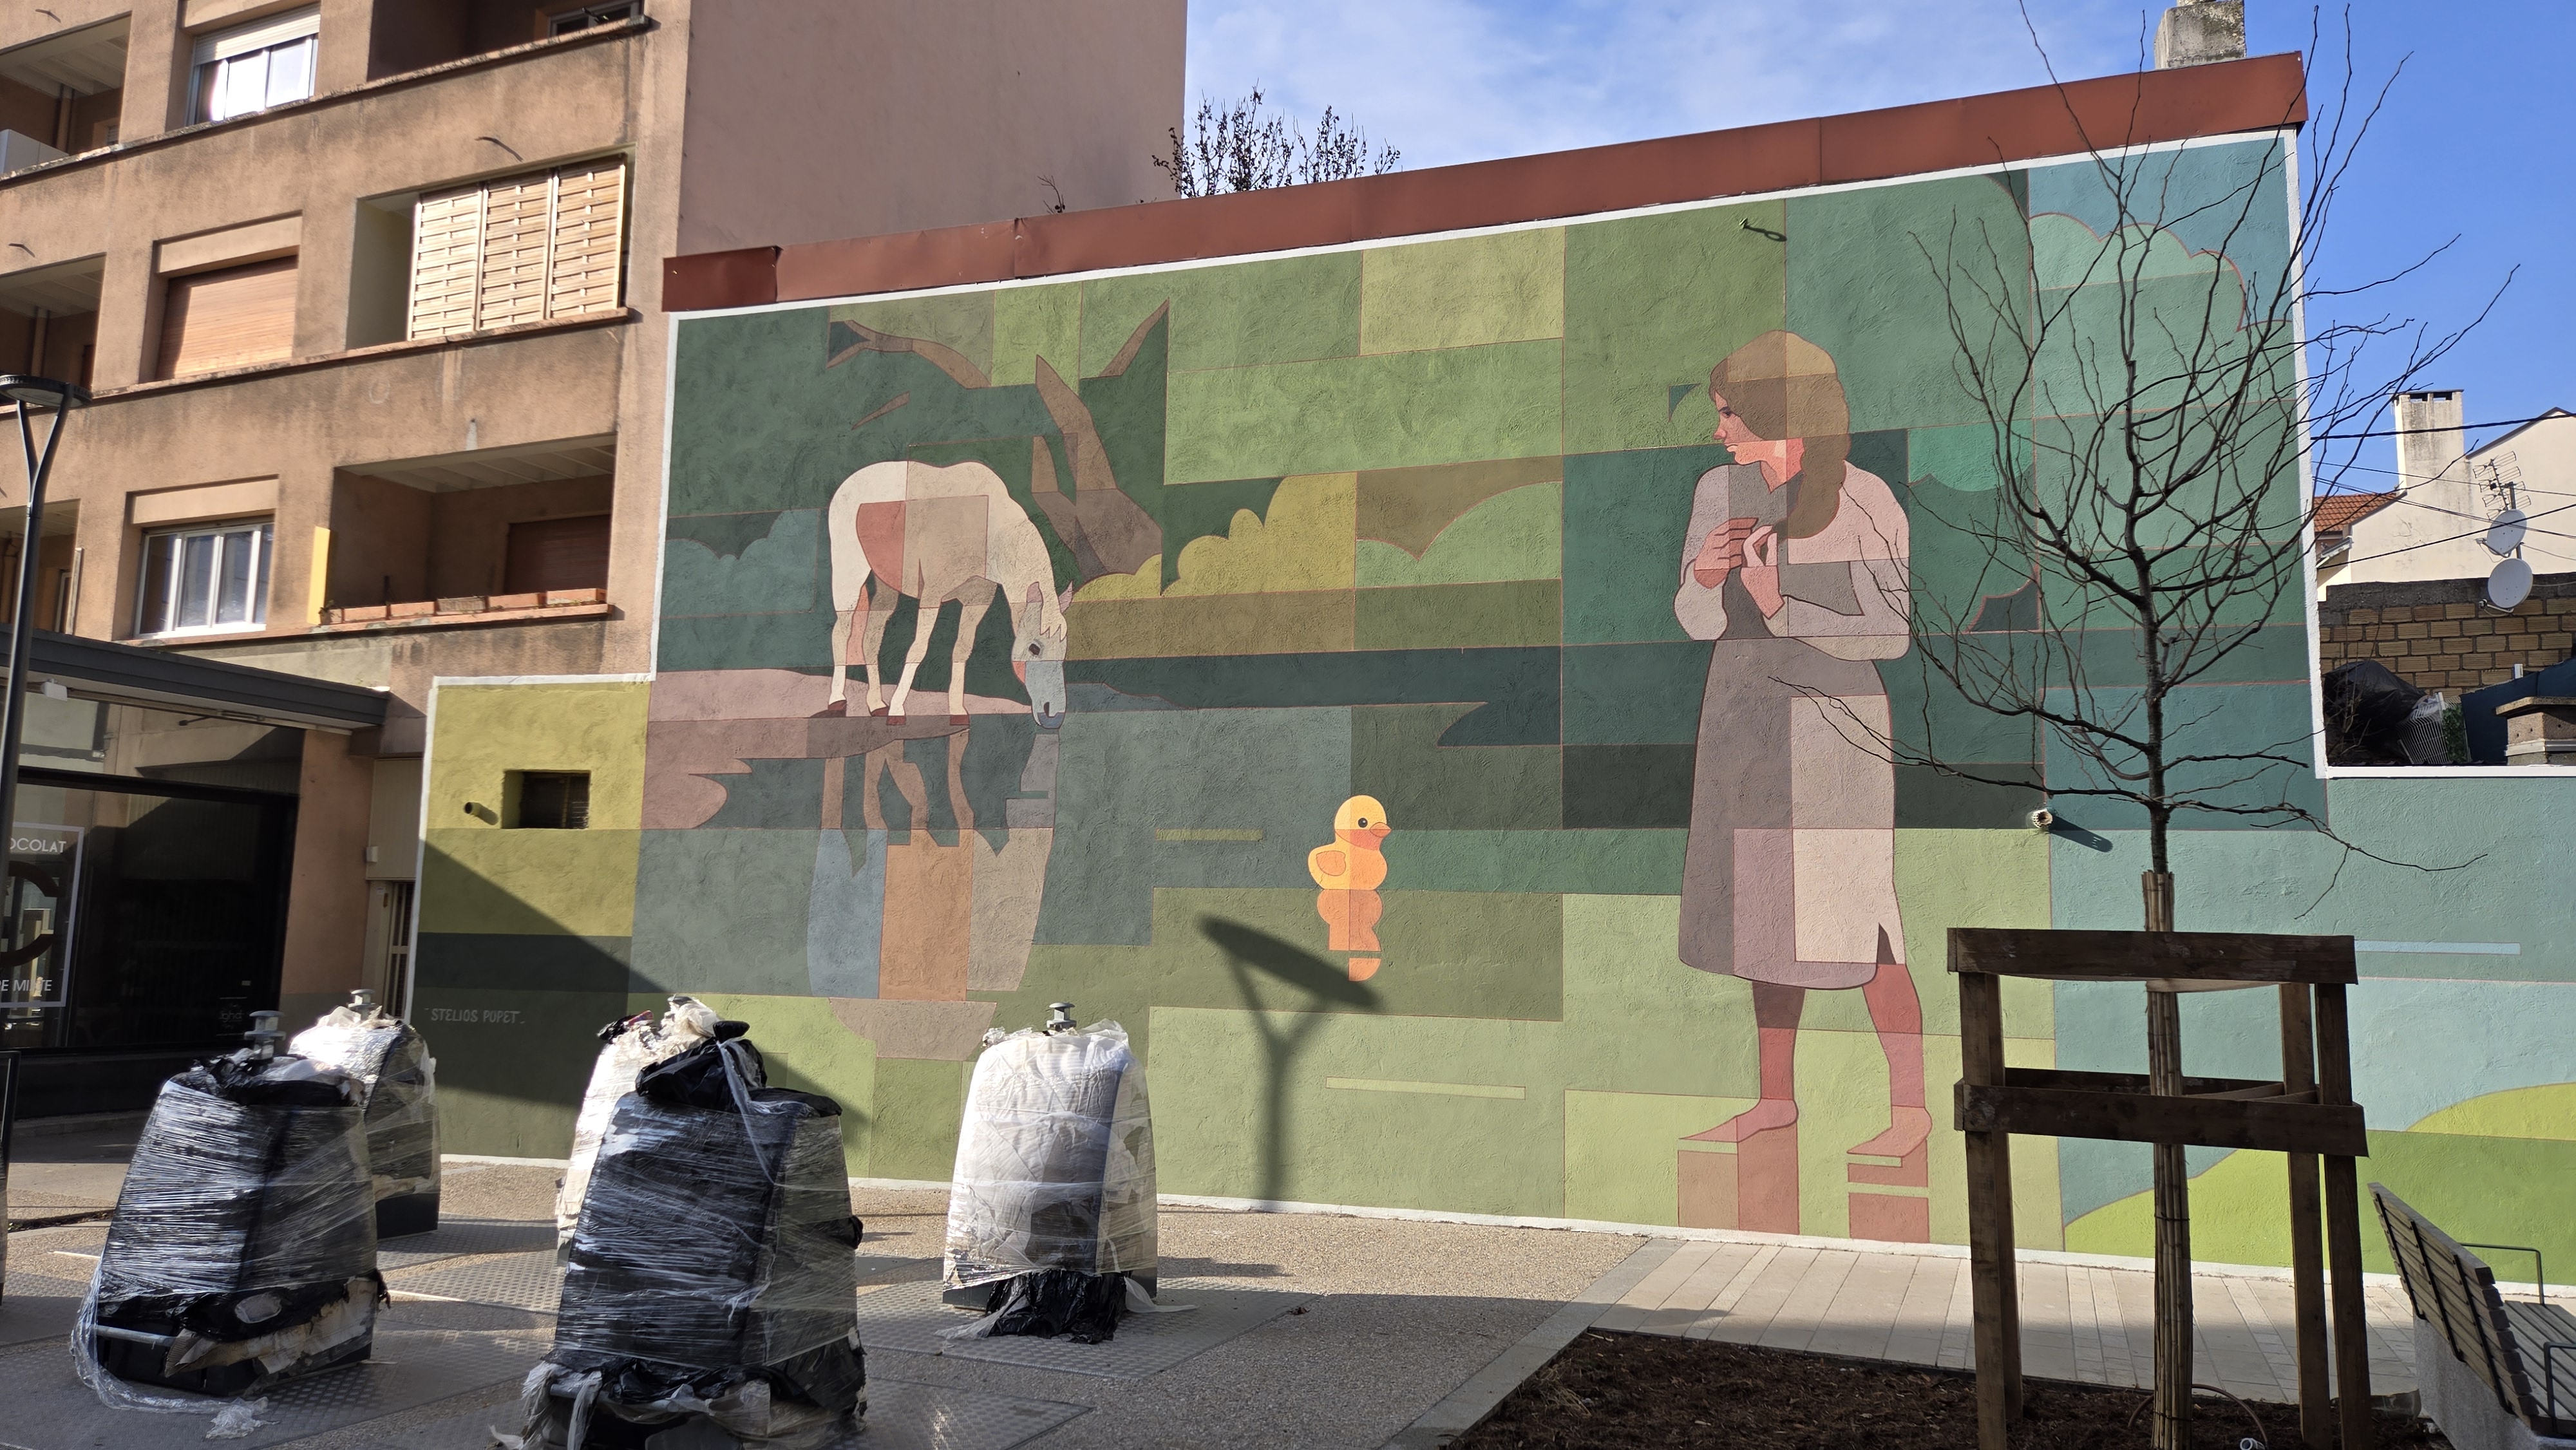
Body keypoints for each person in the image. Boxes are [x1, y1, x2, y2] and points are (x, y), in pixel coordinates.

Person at [1671, 330, 1924, 1236]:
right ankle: (1775, 1100)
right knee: (1763, 916)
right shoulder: (1719, 492)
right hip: (1741, 719)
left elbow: (1890, 631)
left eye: (1729, 413)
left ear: (1776, 411)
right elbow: (1693, 618)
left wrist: (1786, 607)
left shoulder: (1863, 499)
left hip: (1834, 725)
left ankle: (1908, 1110)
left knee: (1861, 916)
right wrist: (1706, 579)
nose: (1719, 430)